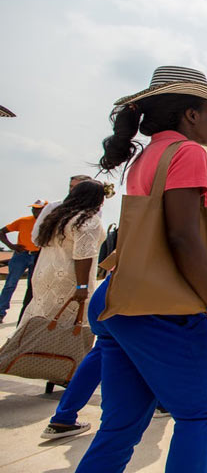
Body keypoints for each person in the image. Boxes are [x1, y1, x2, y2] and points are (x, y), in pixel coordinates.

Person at [76, 65, 207, 473]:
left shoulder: (146, 156)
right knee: (197, 415)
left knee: (120, 427)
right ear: (190, 115)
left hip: (122, 300)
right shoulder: (187, 152)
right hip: (162, 311)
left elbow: (155, 242)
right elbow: (182, 238)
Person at [19, 180, 110, 440]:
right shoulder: (88, 220)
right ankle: (65, 373)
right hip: (72, 280)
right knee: (77, 332)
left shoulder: (56, 216)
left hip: (45, 275)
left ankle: (49, 369)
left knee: (43, 324)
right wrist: (82, 286)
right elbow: (84, 254)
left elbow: (37, 240)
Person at [22, 175, 93, 322]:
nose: (73, 191)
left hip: (69, 268)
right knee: (40, 310)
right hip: (57, 264)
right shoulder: (55, 206)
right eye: (71, 187)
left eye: (77, 187)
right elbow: (36, 237)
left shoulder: (92, 211)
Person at [0, 200, 46, 324]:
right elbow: (2, 232)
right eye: (34, 208)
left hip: (38, 256)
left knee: (33, 286)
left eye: (39, 209)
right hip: (21, 255)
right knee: (10, 283)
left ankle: (29, 313)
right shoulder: (23, 221)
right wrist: (12, 246)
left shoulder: (48, 223)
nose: (35, 211)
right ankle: (0, 312)